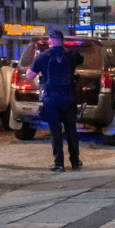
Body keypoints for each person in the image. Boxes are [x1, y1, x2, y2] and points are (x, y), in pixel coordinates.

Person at [27, 29, 84, 172]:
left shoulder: (42, 57)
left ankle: (59, 164)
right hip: (68, 97)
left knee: (55, 131)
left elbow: (29, 76)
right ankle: (75, 161)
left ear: (50, 42)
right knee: (71, 129)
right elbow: (81, 59)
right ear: (62, 41)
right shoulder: (71, 55)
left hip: (51, 99)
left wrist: (35, 59)